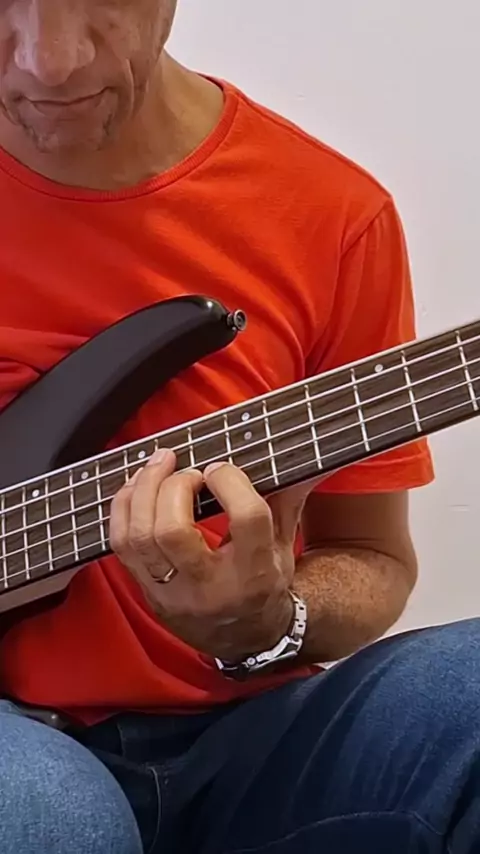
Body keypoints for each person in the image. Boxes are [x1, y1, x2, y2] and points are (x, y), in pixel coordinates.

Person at [0, 1, 478, 852]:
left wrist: (272, 624)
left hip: (259, 743)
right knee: (48, 818)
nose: (51, 60)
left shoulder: (331, 213)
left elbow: (371, 557)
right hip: (18, 752)